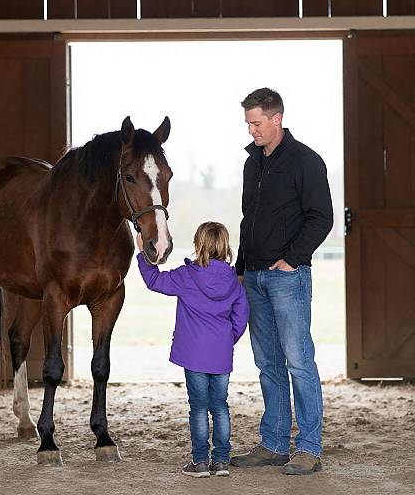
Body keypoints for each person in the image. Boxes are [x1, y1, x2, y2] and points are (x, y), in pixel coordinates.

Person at [231, 88, 333, 475]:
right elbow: (247, 218)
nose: (251, 130)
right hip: (254, 276)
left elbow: (321, 217)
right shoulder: (252, 163)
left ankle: (308, 448)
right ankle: (273, 444)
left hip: (288, 278)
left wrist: (291, 260)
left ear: (276, 118)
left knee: (298, 362)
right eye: (247, 123)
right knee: (268, 364)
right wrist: (241, 268)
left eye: (256, 123)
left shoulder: (306, 161)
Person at [136, 222, 249, 478]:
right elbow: (242, 316)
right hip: (220, 354)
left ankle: (199, 462)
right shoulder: (233, 280)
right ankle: (221, 461)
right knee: (220, 406)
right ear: (225, 247)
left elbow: (154, 280)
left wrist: (143, 254)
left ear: (198, 245)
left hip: (194, 355)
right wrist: (226, 339)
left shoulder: (186, 276)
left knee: (198, 407)